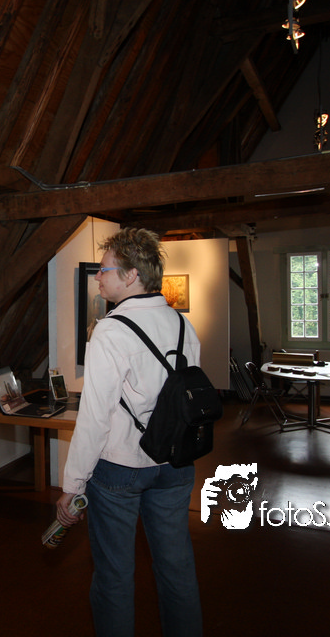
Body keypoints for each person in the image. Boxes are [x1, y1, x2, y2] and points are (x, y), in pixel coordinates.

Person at [55, 228, 202, 637]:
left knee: (114, 576)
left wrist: (73, 485)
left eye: (104, 271)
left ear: (132, 275)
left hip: (121, 467)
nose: (98, 279)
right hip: (175, 462)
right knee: (176, 568)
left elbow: (94, 416)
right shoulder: (182, 324)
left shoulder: (110, 329)